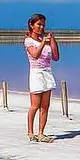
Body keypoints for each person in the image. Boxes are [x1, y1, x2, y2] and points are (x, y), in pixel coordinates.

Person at [24, 13, 60, 142]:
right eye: (38, 24)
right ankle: (30, 132)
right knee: (35, 105)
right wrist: (43, 42)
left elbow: (56, 57)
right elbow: (35, 55)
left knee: (45, 106)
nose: (41, 27)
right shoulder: (28, 41)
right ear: (31, 25)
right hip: (36, 73)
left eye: (43, 25)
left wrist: (52, 40)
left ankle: (41, 133)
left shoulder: (45, 40)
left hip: (47, 72)